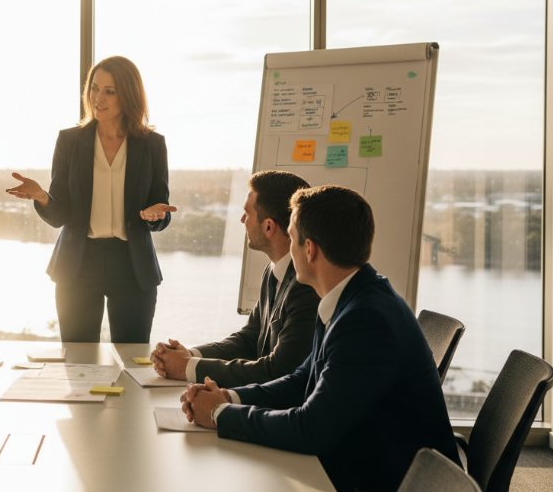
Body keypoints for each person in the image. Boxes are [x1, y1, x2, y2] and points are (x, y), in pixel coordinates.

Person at [181, 185, 459, 492]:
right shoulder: (351, 295)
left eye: (292, 238)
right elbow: (303, 379)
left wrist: (221, 415)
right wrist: (229, 397)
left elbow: (311, 429)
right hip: (362, 457)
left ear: (310, 249)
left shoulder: (366, 321)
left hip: (384, 478)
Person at [7, 56, 177, 343]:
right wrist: (41, 196)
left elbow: (161, 208)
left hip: (132, 267)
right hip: (79, 265)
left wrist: (156, 216)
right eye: (94, 88)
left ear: (129, 94)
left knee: (133, 359)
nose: (98, 98)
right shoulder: (70, 141)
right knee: (78, 361)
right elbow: (60, 214)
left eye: (110, 91)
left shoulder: (152, 144)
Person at [151, 170, 318, 387]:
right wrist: (190, 355)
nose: (242, 220)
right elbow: (250, 338)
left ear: (268, 226)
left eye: (247, 213)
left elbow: (279, 370)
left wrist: (187, 367)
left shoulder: (306, 285)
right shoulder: (274, 269)